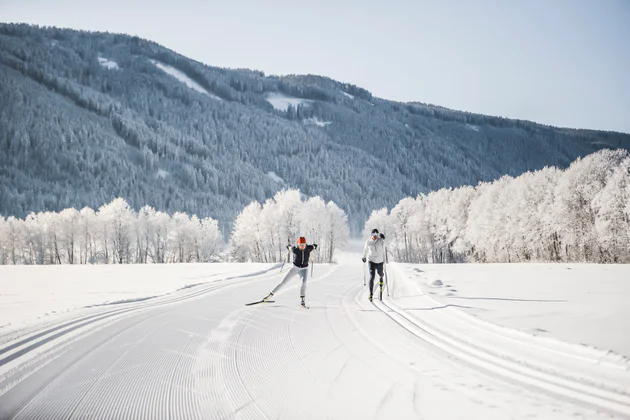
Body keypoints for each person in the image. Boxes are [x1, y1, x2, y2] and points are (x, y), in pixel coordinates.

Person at [262, 237, 317, 307]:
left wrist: (315, 246)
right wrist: (289, 247)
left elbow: (313, 246)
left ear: (305, 244)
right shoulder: (295, 249)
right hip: (295, 268)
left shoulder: (309, 248)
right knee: (283, 282)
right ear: (298, 244)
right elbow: (290, 247)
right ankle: (269, 296)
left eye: (303, 244)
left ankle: (302, 300)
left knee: (303, 282)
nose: (302, 246)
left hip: (304, 269)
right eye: (300, 245)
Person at [362, 228, 386, 301]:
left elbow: (385, 243)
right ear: (371, 235)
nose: (375, 236)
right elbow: (365, 250)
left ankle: (381, 278)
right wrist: (363, 256)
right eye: (373, 234)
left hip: (379, 261)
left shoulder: (380, 240)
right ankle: (371, 294)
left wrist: (383, 238)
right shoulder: (368, 242)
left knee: (380, 274)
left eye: (376, 234)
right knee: (372, 276)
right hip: (371, 260)